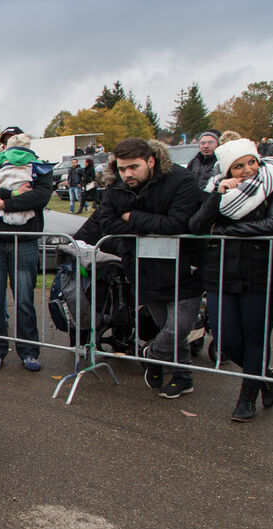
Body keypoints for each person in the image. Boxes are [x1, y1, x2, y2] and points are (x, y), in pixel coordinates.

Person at [99, 137, 203, 399]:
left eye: (133, 167)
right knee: (168, 328)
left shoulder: (181, 179)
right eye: (122, 169)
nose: (127, 174)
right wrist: (151, 224)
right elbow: (107, 222)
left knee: (178, 327)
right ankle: (183, 377)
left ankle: (153, 355)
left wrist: (131, 216)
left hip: (183, 267)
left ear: (151, 161)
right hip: (144, 269)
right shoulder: (116, 186)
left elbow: (178, 224)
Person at [188, 138, 273, 420]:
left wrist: (227, 232)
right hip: (220, 273)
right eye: (238, 166)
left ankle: (246, 399)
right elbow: (196, 224)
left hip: (261, 274)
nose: (248, 169)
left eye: (252, 162)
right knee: (226, 340)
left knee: (255, 339)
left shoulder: (271, 185)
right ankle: (267, 378)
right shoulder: (216, 188)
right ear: (227, 171)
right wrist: (218, 196)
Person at [0, 129, 52, 372]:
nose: (13, 149)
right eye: (8, 144)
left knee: (25, 299)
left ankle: (29, 351)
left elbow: (40, 197)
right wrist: (16, 193)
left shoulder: (39, 167)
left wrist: (4, 203)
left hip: (24, 242)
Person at [187, 130, 220, 195]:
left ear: (218, 144)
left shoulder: (220, 162)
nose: (206, 146)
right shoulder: (194, 161)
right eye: (203, 143)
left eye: (210, 142)